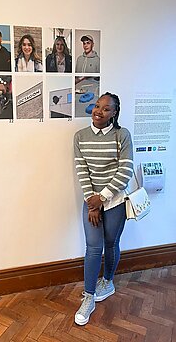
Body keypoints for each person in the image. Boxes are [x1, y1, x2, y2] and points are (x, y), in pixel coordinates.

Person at [73, 92, 133, 326]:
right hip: (92, 204)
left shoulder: (122, 135)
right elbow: (82, 171)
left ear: (114, 113)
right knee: (93, 248)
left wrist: (104, 198)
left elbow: (125, 171)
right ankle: (88, 297)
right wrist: (92, 202)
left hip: (116, 201)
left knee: (111, 244)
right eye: (97, 106)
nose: (99, 111)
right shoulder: (80, 137)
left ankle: (107, 281)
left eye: (106, 109)